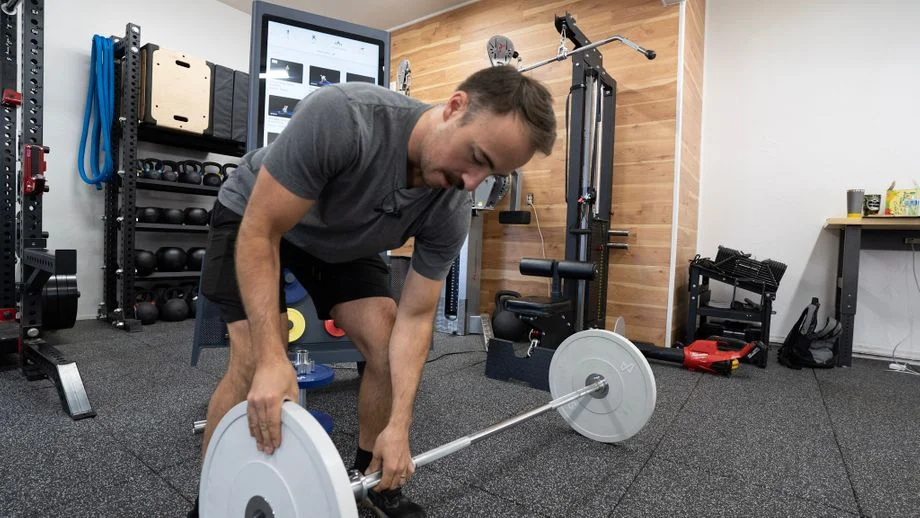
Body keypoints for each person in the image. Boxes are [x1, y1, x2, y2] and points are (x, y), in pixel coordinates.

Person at [192, 64, 556, 518]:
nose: (471, 182)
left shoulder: (451, 205)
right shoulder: (346, 117)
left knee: (384, 346)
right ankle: (210, 499)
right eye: (477, 157)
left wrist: (400, 424)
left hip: (343, 241)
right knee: (253, 362)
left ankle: (373, 480)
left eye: (491, 174)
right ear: (454, 107)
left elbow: (417, 315)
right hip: (257, 216)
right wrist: (272, 358)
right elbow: (262, 231)